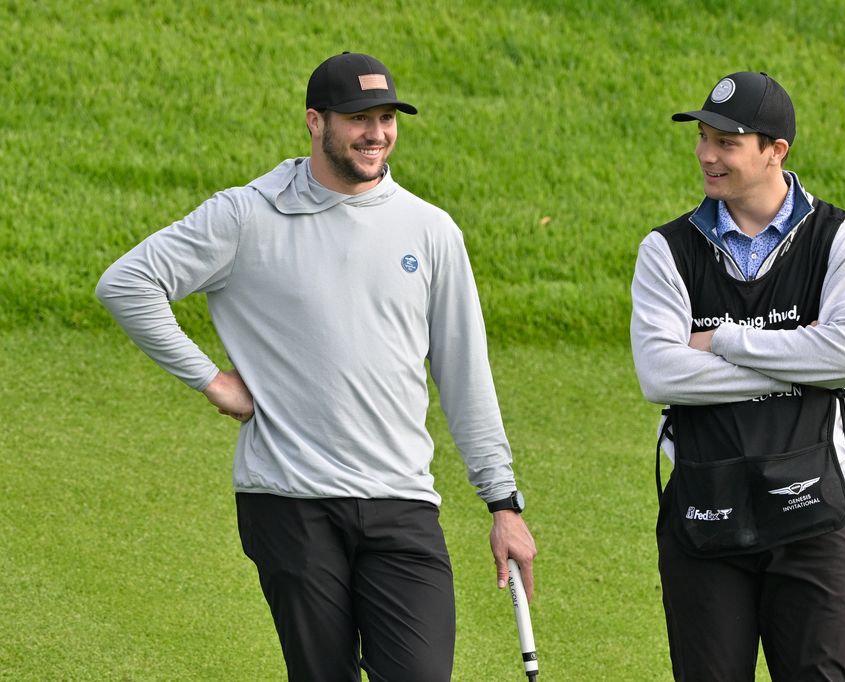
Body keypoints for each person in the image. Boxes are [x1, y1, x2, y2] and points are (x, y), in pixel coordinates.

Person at [96, 52, 536, 682]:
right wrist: (211, 381)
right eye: (359, 118)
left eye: (386, 118)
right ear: (315, 122)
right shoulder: (246, 215)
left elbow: (466, 375)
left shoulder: (430, 230)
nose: (376, 133)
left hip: (402, 503)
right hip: (290, 500)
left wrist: (503, 503)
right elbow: (128, 283)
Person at [630, 71, 845, 681]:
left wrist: (721, 340)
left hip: (816, 515)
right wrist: (801, 364)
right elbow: (661, 373)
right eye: (703, 138)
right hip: (704, 513)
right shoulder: (666, 250)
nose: (706, 154)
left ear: (776, 151)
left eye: (726, 141)